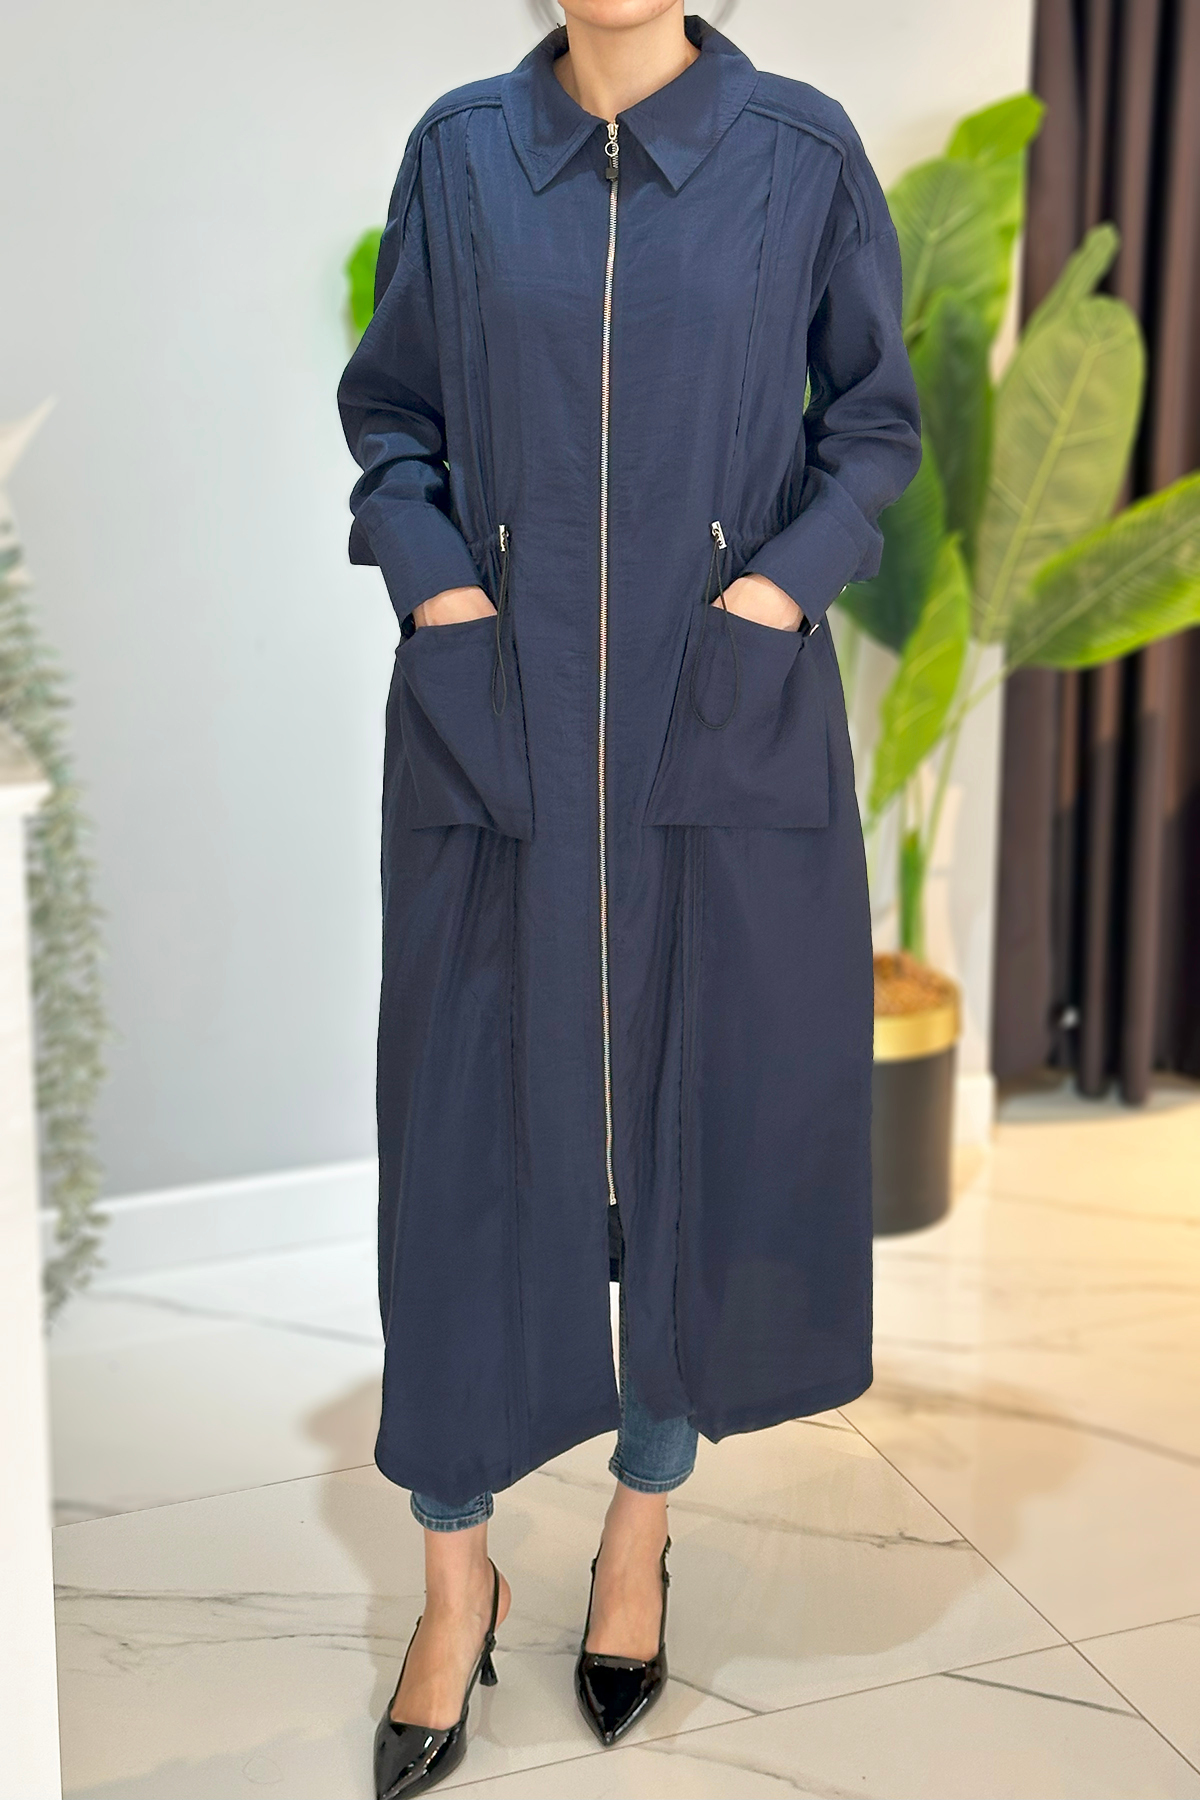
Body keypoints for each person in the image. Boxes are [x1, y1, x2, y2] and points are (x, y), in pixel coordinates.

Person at [338, 4, 920, 1794]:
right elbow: (394, 421)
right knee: (461, 1153)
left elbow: (873, 432)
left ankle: (636, 1536)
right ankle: (455, 1585)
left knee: (691, 1138)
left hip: (713, 726)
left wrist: (773, 598)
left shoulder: (799, 153)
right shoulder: (461, 153)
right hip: (497, 734)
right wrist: (441, 594)